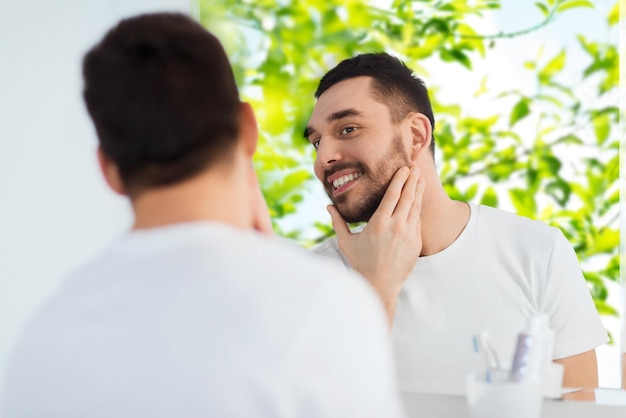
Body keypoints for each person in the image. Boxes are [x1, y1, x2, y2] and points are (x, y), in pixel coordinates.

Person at [0, 16, 409, 417]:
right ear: (248, 128)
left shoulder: (45, 337)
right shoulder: (318, 307)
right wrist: (370, 293)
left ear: (109, 170)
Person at [304, 52, 608, 392]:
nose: (322, 159)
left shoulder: (539, 252)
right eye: (316, 142)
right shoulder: (314, 276)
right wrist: (376, 289)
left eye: (348, 129)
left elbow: (582, 408)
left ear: (416, 135)